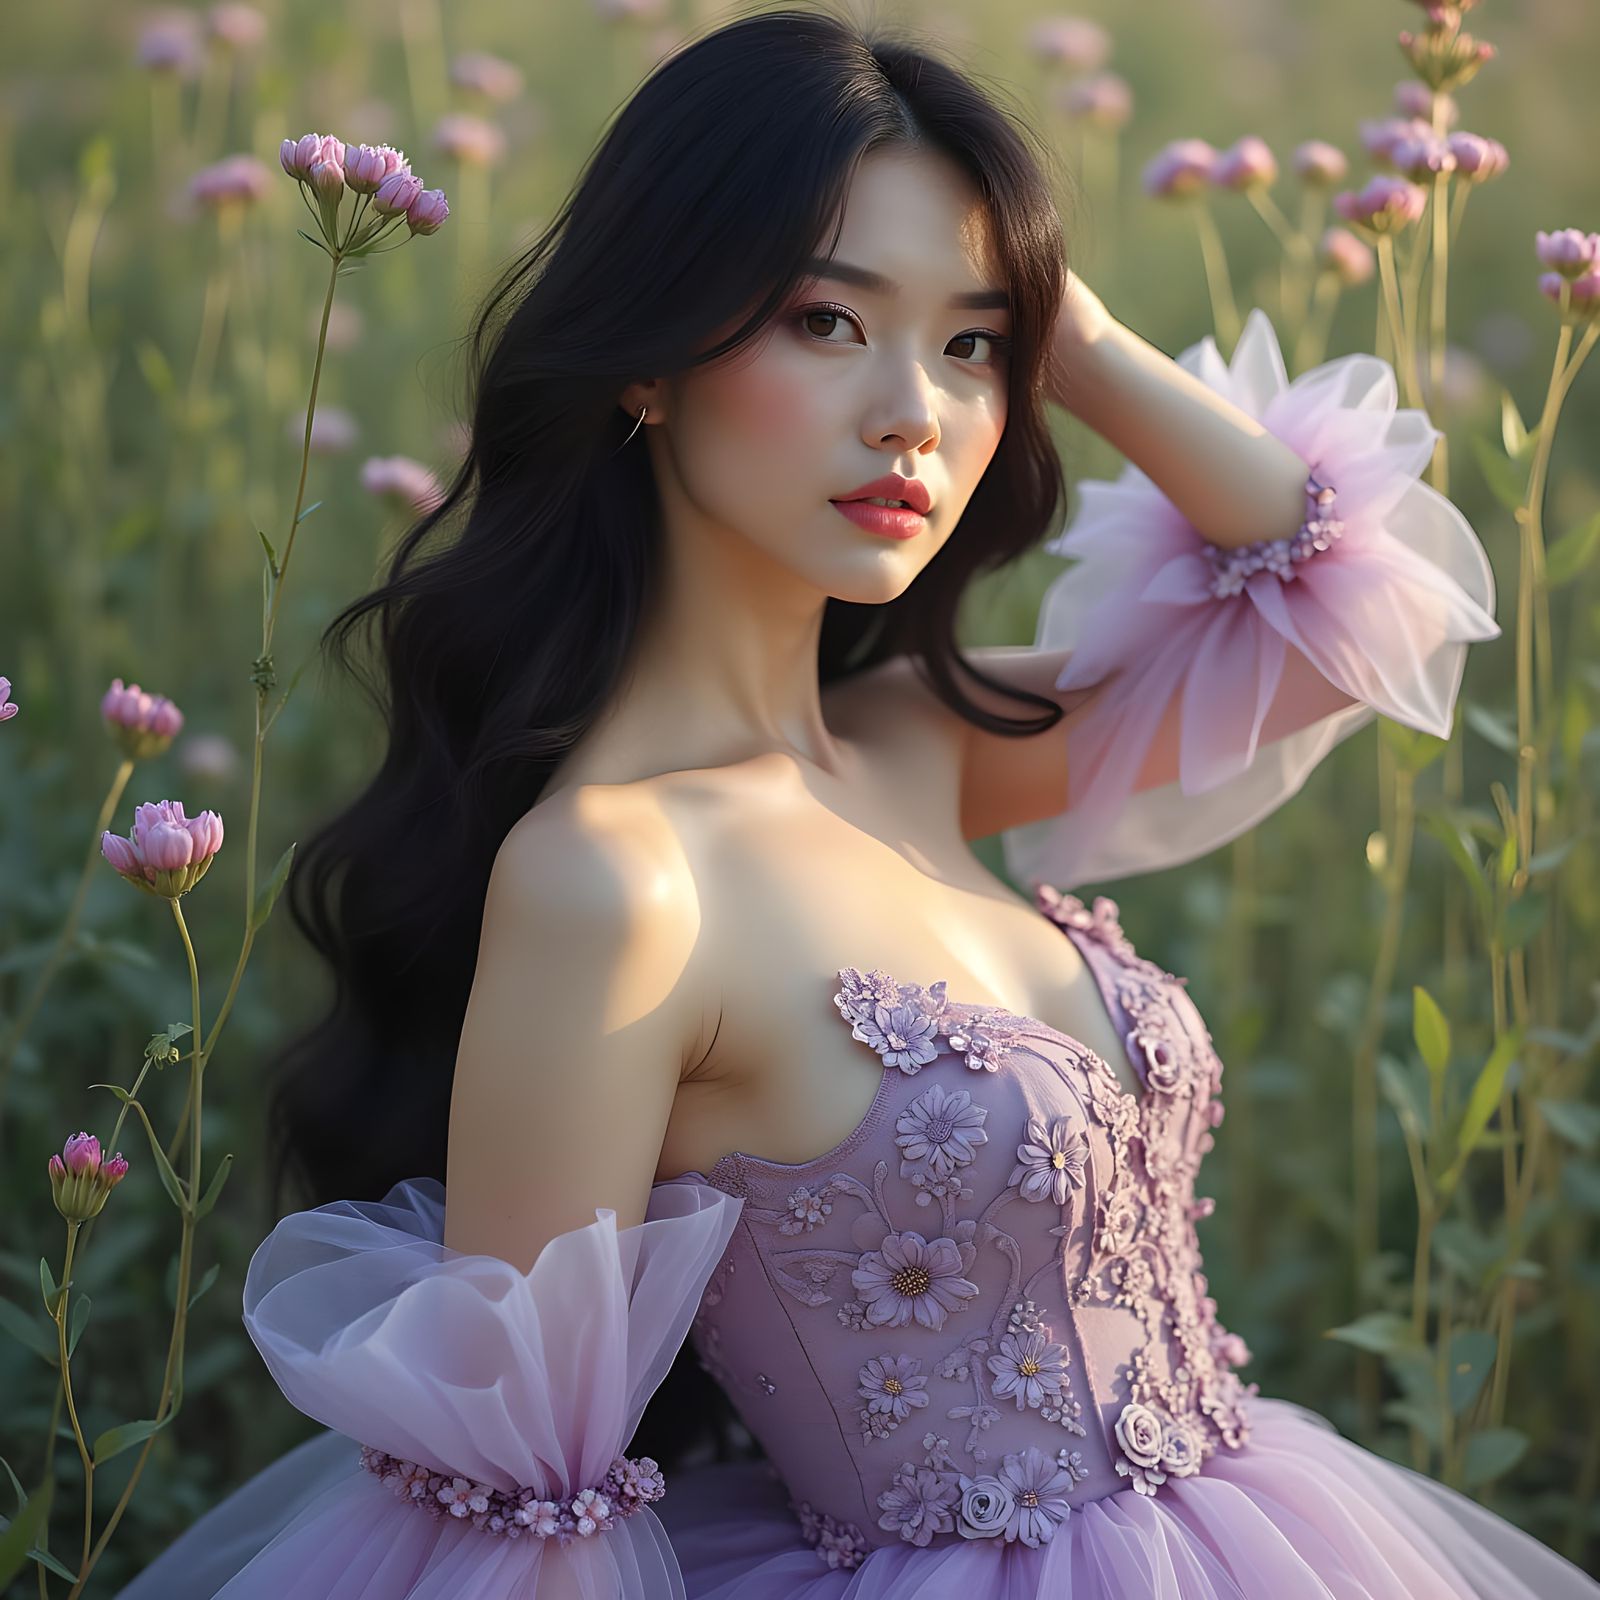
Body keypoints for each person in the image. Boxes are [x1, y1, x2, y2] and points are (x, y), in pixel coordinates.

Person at [114, 8, 1597, 1598]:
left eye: (970, 347)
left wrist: (1070, 335)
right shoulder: (617, 883)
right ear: (644, 363)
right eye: (829, 322)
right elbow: (515, 1511)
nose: (917, 413)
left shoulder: (919, 739)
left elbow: (1352, 604)